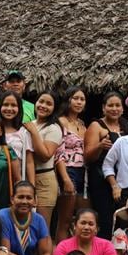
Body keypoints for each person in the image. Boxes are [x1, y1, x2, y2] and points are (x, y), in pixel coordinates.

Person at [85, 91, 128, 238]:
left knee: (123, 218)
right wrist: (100, 146)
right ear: (103, 108)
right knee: (105, 218)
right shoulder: (96, 126)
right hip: (101, 179)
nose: (114, 108)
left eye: (118, 105)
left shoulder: (126, 127)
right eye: (110, 105)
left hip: (123, 178)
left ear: (123, 109)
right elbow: (87, 157)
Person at [0, 181, 53, 255]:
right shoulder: (2, 216)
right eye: (20, 197)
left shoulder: (39, 220)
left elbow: (45, 253)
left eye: (29, 198)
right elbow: (5, 252)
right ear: (12, 199)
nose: (24, 201)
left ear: (35, 201)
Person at [22, 91, 63, 226]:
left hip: (44, 181)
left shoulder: (54, 128)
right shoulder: (31, 123)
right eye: (41, 101)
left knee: (41, 228)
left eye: (49, 104)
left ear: (54, 108)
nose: (43, 106)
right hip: (27, 178)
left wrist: (33, 132)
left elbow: (45, 155)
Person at [54, 86, 89, 237]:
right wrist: (65, 178)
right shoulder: (61, 121)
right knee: (65, 219)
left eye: (82, 99)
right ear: (68, 100)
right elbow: (58, 153)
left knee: (81, 217)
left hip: (84, 173)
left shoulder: (82, 124)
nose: (79, 102)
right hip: (68, 170)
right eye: (75, 98)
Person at [0, 90, 32, 182]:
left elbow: (29, 162)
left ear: (19, 108)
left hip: (17, 181)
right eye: (5, 105)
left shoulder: (23, 132)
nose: (9, 108)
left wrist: (32, 188)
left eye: (13, 105)